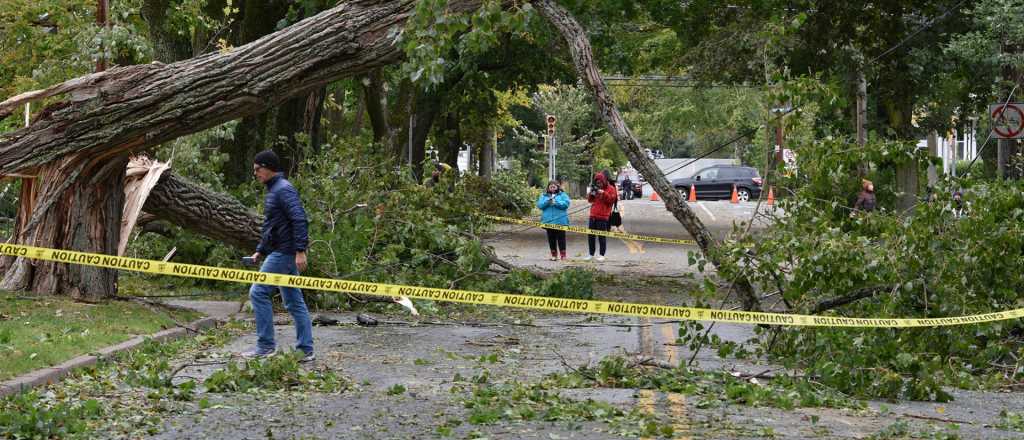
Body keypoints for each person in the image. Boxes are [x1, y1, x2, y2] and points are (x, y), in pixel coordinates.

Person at [244, 150, 315, 362]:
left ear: (268, 168)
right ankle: (305, 350)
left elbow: (299, 219)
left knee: (258, 292)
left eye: (257, 169)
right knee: (294, 302)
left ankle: (266, 346)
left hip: (285, 253)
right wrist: (260, 250)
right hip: (282, 252)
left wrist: (300, 251)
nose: (255, 173)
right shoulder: (275, 190)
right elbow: (272, 226)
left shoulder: (283, 190)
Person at [585, 171, 618, 261]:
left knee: (601, 236)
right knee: (591, 236)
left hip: (603, 216)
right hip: (593, 215)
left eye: (600, 182)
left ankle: (601, 255)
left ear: (604, 181)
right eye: (597, 183)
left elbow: (611, 200)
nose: (598, 184)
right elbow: (590, 200)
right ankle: (591, 254)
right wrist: (591, 193)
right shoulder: (596, 188)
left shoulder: (611, 188)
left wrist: (603, 193)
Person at [537, 180, 571, 260]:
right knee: (551, 239)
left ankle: (563, 255)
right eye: (551, 187)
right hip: (548, 221)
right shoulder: (544, 195)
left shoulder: (563, 195)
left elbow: (566, 204)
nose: (552, 188)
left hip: (560, 221)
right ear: (548, 188)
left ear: (557, 187)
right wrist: (547, 202)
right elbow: (540, 205)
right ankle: (554, 255)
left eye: (554, 187)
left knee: (561, 238)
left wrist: (556, 202)